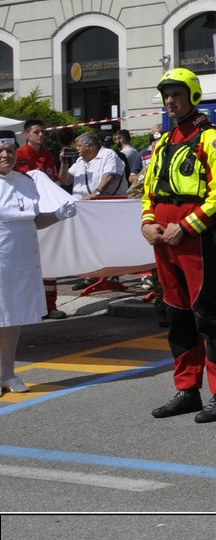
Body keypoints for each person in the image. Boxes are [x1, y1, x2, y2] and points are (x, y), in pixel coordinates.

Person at [141, 67, 216, 423]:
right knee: (177, 316)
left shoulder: (212, 138)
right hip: (164, 238)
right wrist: (147, 224)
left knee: (209, 313)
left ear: (192, 96)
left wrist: (185, 227)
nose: (170, 101)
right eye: (166, 95)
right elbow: (149, 191)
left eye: (176, 94)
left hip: (194, 237)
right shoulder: (164, 142)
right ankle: (187, 390)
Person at [0, 131, 76, 392]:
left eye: (10, 150)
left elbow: (33, 220)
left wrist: (57, 214)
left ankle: (7, 374)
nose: (5, 155)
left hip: (21, 262)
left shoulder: (25, 181)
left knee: (12, 318)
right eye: (0, 150)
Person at [15, 120, 63, 320]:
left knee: (50, 260)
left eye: (43, 132)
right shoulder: (19, 156)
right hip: (28, 214)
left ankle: (50, 305)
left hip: (47, 212)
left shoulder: (48, 155)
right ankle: (30, 306)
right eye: (37, 132)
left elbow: (54, 182)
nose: (41, 135)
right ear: (26, 135)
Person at [62, 132, 129, 198]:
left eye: (79, 146)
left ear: (90, 145)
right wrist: (63, 163)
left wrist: (96, 194)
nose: (77, 148)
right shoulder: (80, 160)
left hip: (103, 204)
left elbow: (108, 176)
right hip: (81, 204)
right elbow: (65, 181)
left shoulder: (107, 154)